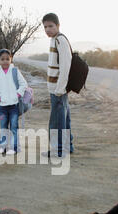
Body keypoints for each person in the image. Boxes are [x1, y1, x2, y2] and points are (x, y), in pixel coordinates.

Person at [42, 13, 74, 158]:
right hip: (56, 88)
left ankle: (59, 150)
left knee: (57, 120)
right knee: (63, 118)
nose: (47, 29)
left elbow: (65, 66)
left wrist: (60, 89)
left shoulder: (60, 40)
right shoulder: (54, 40)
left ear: (58, 26)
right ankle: (68, 146)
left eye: (50, 26)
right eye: (45, 27)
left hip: (58, 90)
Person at [0, 49, 28, 155]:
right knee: (3, 127)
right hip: (2, 106)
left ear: (11, 59)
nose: (5, 61)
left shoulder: (15, 71)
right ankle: (3, 146)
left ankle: (14, 147)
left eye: (7, 59)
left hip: (14, 106)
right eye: (2, 59)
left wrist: (18, 94)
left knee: (14, 127)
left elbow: (23, 84)